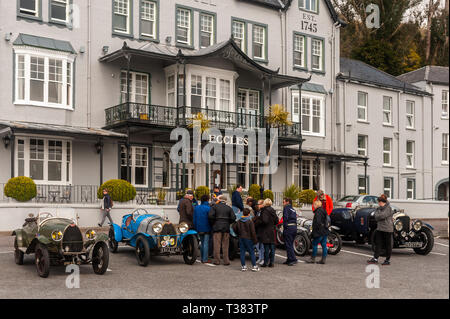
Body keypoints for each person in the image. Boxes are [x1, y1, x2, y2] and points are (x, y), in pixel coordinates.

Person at [208, 195, 236, 265]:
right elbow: (233, 217)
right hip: (226, 227)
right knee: (225, 245)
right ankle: (226, 261)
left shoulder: (215, 207)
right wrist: (228, 222)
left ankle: (217, 260)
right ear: (225, 201)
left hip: (217, 227)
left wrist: (213, 223)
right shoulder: (229, 208)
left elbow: (210, 216)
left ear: (219, 200)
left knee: (217, 245)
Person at [367, 194, 394, 266]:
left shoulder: (388, 208)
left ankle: (387, 260)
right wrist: (379, 215)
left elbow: (382, 216)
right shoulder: (379, 208)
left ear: (382, 202)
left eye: (379, 202)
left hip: (387, 229)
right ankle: (375, 258)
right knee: (378, 243)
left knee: (388, 245)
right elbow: (376, 216)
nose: (378, 203)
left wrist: (379, 215)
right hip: (380, 228)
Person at [259, 198, 279, 267]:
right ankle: (272, 262)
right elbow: (277, 221)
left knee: (266, 248)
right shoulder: (273, 210)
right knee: (272, 247)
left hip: (266, 230)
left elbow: (265, 221)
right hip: (272, 230)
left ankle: (266, 262)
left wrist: (260, 222)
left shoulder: (264, 210)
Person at [193, 194, 212, 263]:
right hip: (207, 227)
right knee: (206, 243)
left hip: (198, 227)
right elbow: (211, 219)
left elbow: (194, 219)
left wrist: (195, 227)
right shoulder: (209, 208)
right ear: (207, 200)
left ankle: (202, 258)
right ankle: (205, 259)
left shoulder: (196, 208)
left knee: (201, 243)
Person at [282, 198, 298, 266]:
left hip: (289, 227)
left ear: (287, 202)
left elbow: (285, 217)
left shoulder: (286, 208)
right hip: (294, 227)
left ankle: (293, 259)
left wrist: (284, 227)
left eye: (284, 202)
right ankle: (289, 259)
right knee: (290, 243)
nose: (283, 203)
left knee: (288, 244)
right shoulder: (293, 209)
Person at [252, 199, 265, 265]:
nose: (257, 205)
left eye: (258, 204)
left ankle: (262, 258)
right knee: (257, 245)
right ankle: (260, 257)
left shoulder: (263, 211)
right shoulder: (258, 211)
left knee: (262, 246)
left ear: (262, 205)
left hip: (262, 231)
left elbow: (261, 221)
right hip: (257, 230)